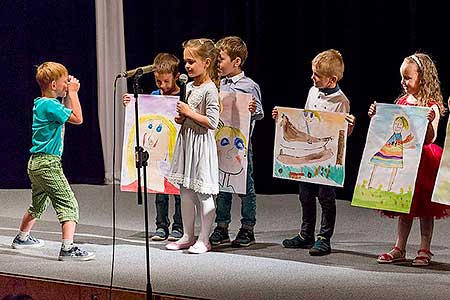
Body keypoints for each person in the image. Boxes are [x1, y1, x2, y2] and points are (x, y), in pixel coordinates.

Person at [272, 49, 355, 256]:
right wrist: (282, 119)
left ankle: (324, 237)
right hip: (309, 153)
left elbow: (340, 134)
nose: (312, 78)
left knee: (326, 197)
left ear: (332, 79)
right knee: (305, 195)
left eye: (317, 75)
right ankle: (305, 234)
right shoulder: (312, 91)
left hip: (326, 157)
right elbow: (305, 120)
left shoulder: (341, 101)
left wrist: (350, 127)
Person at [370, 53, 450, 266]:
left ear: (422, 78)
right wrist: (377, 116)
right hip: (405, 160)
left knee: (425, 209)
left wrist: (430, 122)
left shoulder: (432, 105)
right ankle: (400, 246)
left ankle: (425, 248)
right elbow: (389, 129)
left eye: (408, 78)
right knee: (404, 207)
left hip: (424, 160)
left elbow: (431, 137)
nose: (403, 82)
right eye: (402, 78)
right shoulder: (401, 101)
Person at [11, 62, 94, 261]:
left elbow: (64, 115)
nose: (68, 83)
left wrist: (67, 95)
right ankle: (68, 248)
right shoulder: (50, 105)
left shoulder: (41, 103)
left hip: (36, 164)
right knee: (69, 204)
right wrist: (73, 93)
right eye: (65, 81)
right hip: (48, 164)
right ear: (54, 85)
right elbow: (78, 118)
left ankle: (22, 238)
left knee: (38, 204)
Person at [165, 38, 220, 254]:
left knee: (203, 193)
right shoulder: (188, 85)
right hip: (187, 141)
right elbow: (190, 116)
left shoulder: (210, 89)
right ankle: (188, 235)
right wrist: (182, 118)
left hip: (201, 145)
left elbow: (212, 122)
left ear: (206, 62)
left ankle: (205, 238)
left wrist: (189, 113)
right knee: (185, 192)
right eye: (186, 62)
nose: (187, 66)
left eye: (191, 61)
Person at [208, 36, 264, 247]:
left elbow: (259, 113)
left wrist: (253, 109)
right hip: (220, 144)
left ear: (237, 61)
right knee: (222, 185)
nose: (217, 64)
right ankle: (222, 227)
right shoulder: (218, 83)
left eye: (220, 59)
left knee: (244, 187)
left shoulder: (249, 86)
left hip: (240, 146)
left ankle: (247, 228)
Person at [123, 53, 184, 241]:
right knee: (159, 191)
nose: (163, 86)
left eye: (166, 81)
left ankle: (179, 226)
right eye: (158, 82)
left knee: (179, 192)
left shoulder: (184, 94)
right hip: (159, 155)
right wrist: (131, 103)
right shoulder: (156, 96)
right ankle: (161, 225)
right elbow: (145, 115)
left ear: (176, 76)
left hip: (179, 150)